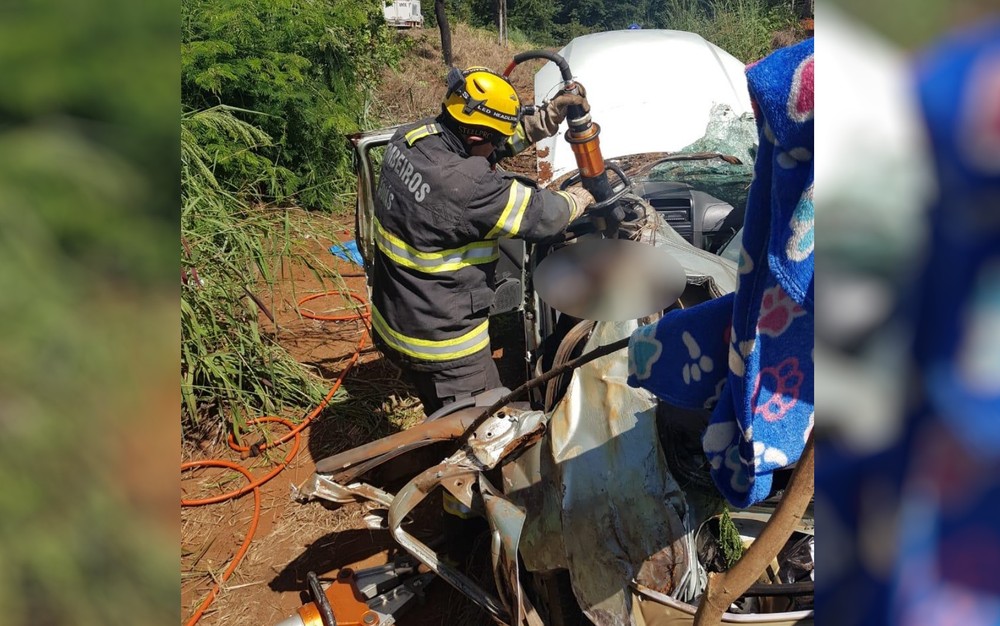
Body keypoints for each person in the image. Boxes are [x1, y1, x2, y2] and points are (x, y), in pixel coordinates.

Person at [370, 66, 595, 415]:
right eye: (494, 139)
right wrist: (579, 199)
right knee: (484, 428)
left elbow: (487, 147)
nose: (500, 147)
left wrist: (545, 120)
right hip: (444, 347)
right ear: (476, 138)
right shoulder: (468, 187)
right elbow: (544, 216)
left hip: (395, 318)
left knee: (437, 408)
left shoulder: (411, 137)